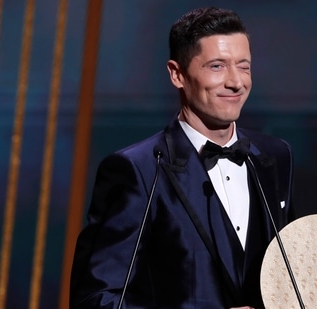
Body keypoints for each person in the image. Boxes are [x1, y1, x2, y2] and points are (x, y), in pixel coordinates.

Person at [70, 7, 295, 309]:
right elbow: (96, 300)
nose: (236, 82)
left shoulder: (275, 157)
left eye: (244, 66)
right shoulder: (137, 170)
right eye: (217, 66)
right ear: (177, 74)